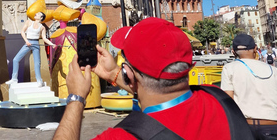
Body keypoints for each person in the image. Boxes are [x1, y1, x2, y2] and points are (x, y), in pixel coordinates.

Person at [53, 17, 253, 140]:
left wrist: (76, 98)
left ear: (129, 73)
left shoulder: (121, 136)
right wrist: (115, 74)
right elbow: (161, 89)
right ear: (188, 66)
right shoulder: (218, 98)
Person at [26, 0, 107, 107]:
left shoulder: (83, 13)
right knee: (63, 72)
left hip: (80, 42)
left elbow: (99, 29)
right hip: (62, 44)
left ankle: (90, 97)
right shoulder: (59, 10)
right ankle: (65, 95)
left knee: (85, 69)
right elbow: (34, 13)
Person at [221, 34, 277, 139]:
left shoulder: (229, 68)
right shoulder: (273, 70)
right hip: (272, 125)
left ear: (233, 51)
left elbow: (228, 100)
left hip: (245, 126)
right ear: (255, 48)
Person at [6, 12, 55, 87]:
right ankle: (14, 79)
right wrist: (26, 41)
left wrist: (52, 44)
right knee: (16, 59)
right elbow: (22, 31)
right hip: (28, 42)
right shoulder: (29, 22)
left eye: (38, 14)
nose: (36, 14)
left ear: (41, 17)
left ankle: (39, 80)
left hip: (36, 43)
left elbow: (44, 38)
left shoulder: (42, 27)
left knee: (37, 63)